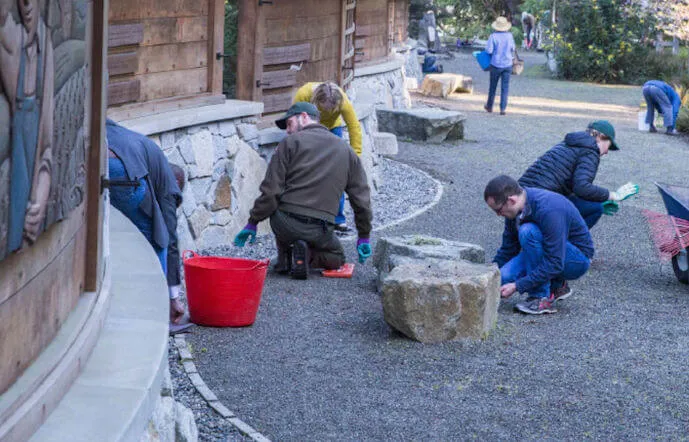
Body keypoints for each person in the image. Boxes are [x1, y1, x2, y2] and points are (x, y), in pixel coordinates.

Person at [233, 102, 373, 280]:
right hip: (320, 229)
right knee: (337, 258)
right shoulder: (346, 150)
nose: (288, 131)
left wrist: (253, 222)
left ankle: (285, 258)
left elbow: (271, 191)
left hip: (284, 224)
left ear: (304, 117)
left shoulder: (288, 144)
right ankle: (306, 256)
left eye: (289, 124)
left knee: (279, 210)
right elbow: (361, 199)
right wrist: (364, 235)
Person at [105, 119, 192, 332]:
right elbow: (170, 240)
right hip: (123, 172)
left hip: (93, 153)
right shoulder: (169, 185)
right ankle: (159, 316)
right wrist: (174, 297)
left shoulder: (136, 140)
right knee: (158, 237)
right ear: (177, 185)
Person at [485, 175, 594, 315]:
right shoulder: (514, 211)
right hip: (550, 253)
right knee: (500, 280)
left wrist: (518, 285)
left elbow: (555, 262)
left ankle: (540, 297)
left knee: (528, 232)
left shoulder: (548, 209)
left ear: (511, 200)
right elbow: (508, 249)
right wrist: (488, 274)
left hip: (576, 259)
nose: (498, 215)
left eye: (498, 210)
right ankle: (557, 285)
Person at [0, 0, 55, 251]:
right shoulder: (12, 38)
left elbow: (47, 147)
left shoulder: (46, 51)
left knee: (26, 217)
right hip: (17, 133)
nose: (26, 5)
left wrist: (43, 192)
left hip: (32, 138)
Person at [519, 120, 638, 230]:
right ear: (600, 137)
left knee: (592, 205)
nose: (606, 152)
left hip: (519, 196)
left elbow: (569, 186)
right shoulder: (590, 151)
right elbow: (581, 187)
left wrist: (598, 198)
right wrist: (612, 195)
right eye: (608, 145)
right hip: (538, 202)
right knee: (596, 209)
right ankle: (568, 246)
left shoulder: (568, 144)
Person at [292, 82, 362, 232]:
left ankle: (338, 219)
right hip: (308, 130)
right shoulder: (303, 95)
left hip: (333, 129)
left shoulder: (342, 100)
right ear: (316, 101)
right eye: (324, 108)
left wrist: (355, 157)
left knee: (337, 174)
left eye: (332, 109)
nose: (328, 111)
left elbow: (354, 126)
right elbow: (294, 123)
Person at [484, 16, 515, 116]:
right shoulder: (510, 36)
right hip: (508, 64)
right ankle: (502, 108)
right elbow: (513, 48)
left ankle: (489, 106)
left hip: (496, 64)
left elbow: (489, 50)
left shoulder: (493, 36)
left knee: (492, 87)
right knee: (505, 87)